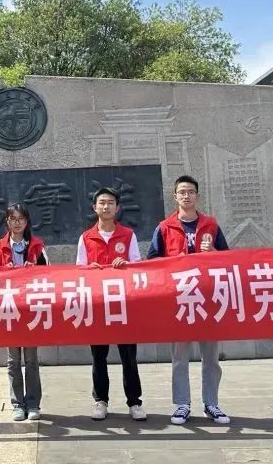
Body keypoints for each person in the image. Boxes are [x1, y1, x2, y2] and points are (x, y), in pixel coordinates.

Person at [146, 175, 232, 425]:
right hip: (180, 300)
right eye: (182, 192)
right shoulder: (164, 227)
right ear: (175, 197)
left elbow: (229, 259)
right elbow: (152, 261)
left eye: (191, 192)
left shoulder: (211, 225)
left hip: (208, 299)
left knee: (211, 357)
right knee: (179, 357)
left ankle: (211, 403)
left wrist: (213, 252)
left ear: (197, 196)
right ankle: (182, 404)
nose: (186, 196)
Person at [77, 187, 146, 421]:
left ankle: (134, 402)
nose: (106, 207)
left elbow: (138, 265)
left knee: (129, 357)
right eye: (102, 203)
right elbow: (79, 269)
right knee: (99, 357)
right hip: (98, 305)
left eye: (110, 203)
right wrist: (90, 269)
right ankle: (100, 401)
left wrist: (126, 265)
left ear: (117, 208)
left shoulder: (127, 235)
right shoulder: (86, 237)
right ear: (94, 207)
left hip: (123, 304)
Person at [0, 203, 48, 422]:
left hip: (31, 311)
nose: (17, 222)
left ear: (27, 221)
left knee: (31, 360)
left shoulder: (38, 247)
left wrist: (34, 272)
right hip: (9, 311)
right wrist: (4, 273)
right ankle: (17, 405)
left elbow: (50, 277)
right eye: (12, 218)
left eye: (21, 218)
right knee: (13, 361)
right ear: (7, 221)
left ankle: (33, 404)